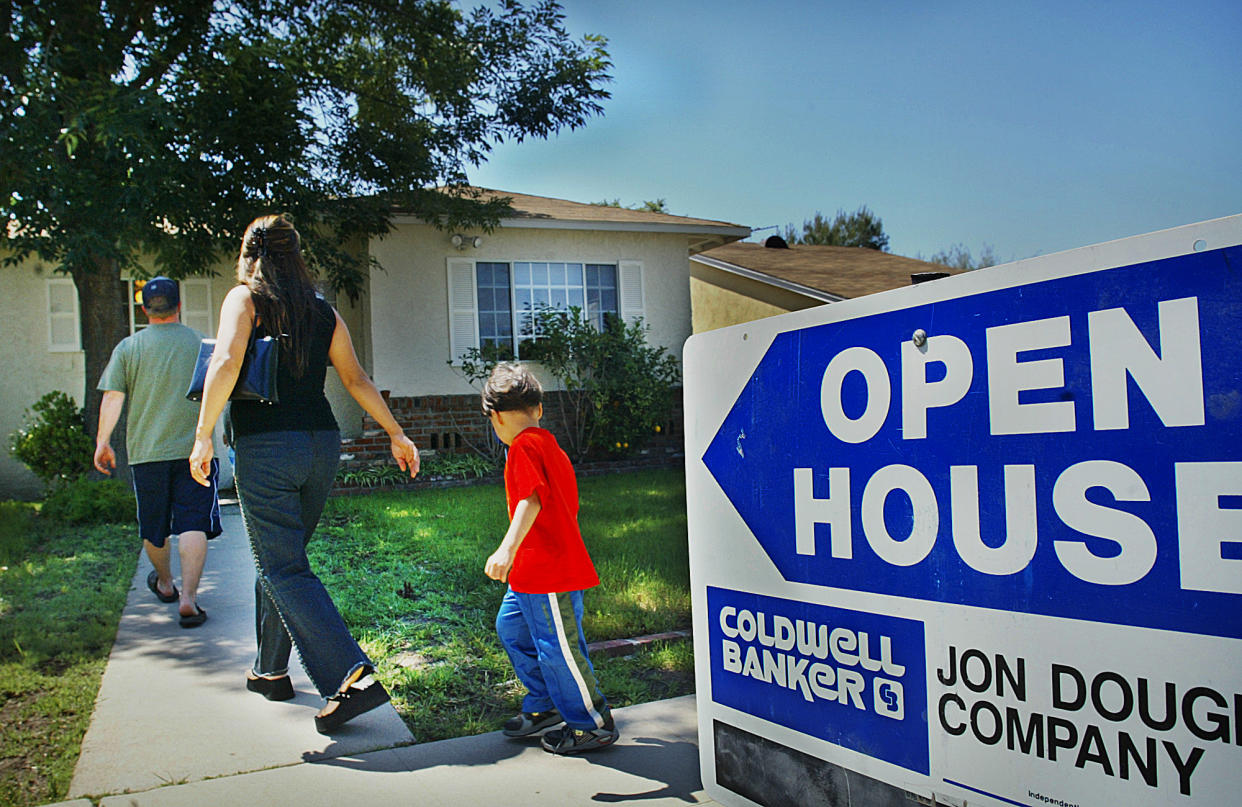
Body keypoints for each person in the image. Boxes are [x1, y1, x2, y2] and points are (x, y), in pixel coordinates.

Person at [188, 214, 419, 734]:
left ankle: (350, 675)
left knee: (281, 567)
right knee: (284, 562)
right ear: (297, 256)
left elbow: (224, 362)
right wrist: (396, 433)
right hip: (320, 445)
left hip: (266, 448)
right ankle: (270, 671)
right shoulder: (324, 312)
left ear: (249, 255)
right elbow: (356, 379)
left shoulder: (243, 299)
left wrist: (202, 435)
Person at [482, 362, 619, 755]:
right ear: (538, 409)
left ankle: (591, 723)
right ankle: (545, 704)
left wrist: (505, 549)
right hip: (529, 574)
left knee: (558, 647)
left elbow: (532, 499)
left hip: (548, 573)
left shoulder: (524, 446)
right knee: (512, 630)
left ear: (494, 417)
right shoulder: (548, 443)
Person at [95, 276, 221, 629]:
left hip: (147, 454)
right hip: (196, 451)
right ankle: (189, 600)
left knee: (154, 526)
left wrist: (103, 442)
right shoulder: (202, 345)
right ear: (178, 305)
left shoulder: (128, 348)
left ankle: (166, 583)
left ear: (144, 309)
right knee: (194, 522)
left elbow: (113, 398)